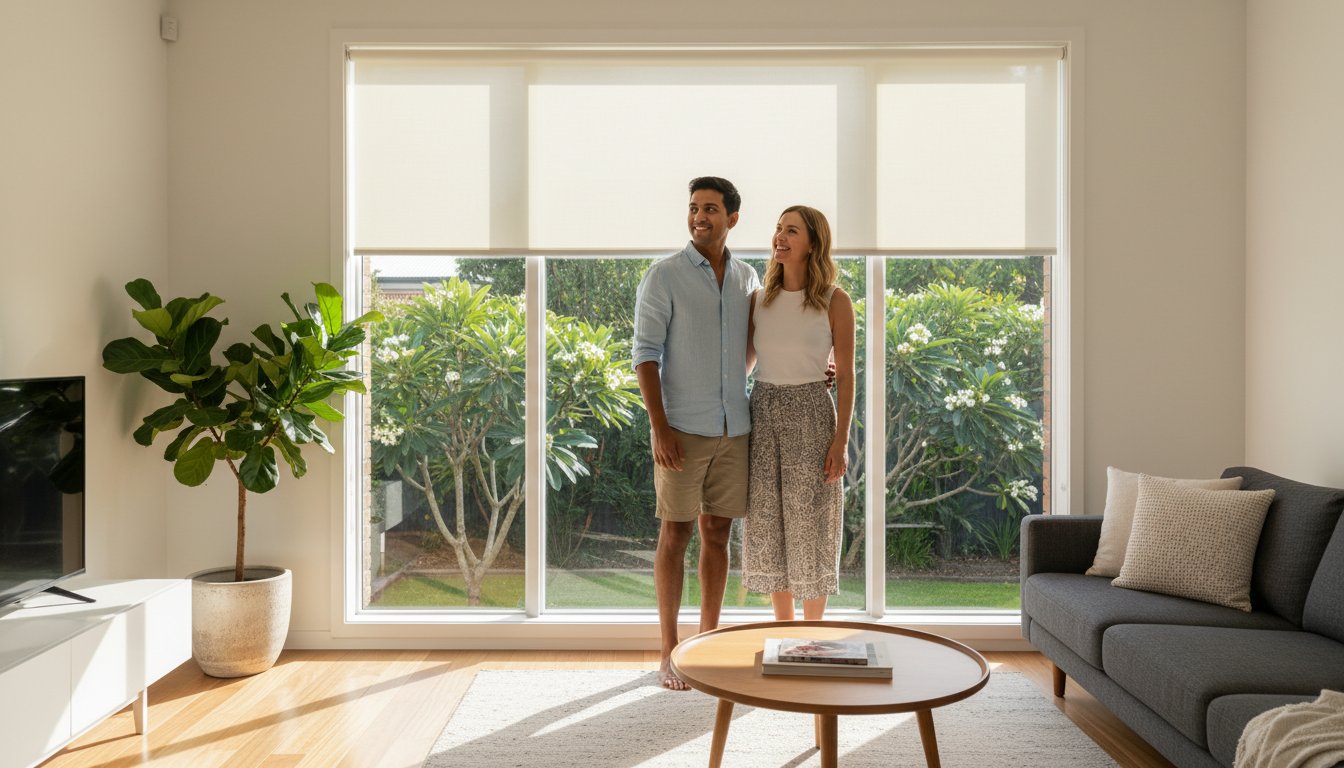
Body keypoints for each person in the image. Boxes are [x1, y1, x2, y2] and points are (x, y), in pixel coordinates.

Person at [632, 176, 760, 690]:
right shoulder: (663, 276)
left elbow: (751, 347)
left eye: (710, 208)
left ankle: (707, 643)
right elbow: (645, 356)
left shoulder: (748, 277)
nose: (699, 217)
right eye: (693, 208)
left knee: (718, 534)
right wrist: (659, 427)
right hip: (681, 430)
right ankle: (668, 651)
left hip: (735, 429)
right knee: (675, 535)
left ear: (732, 218)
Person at [742, 205, 856, 621]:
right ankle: (784, 630)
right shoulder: (758, 300)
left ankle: (814, 634)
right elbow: (745, 366)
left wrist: (840, 441)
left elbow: (846, 374)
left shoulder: (835, 300)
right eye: (778, 229)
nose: (780, 237)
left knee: (811, 523)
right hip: (764, 412)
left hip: (812, 416)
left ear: (812, 244)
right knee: (768, 521)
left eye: (791, 230)